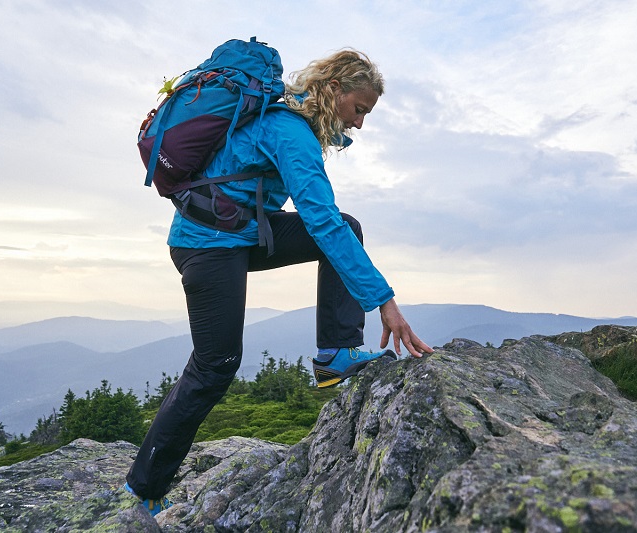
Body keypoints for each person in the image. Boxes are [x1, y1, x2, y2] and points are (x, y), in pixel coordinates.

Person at [125, 47, 433, 516]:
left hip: (243, 234)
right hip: (206, 245)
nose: (359, 123)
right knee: (214, 366)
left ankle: (336, 353)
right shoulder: (290, 130)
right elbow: (320, 220)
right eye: (359, 109)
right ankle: (143, 489)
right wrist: (384, 301)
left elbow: (327, 226)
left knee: (346, 230)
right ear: (334, 90)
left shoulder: (291, 121)